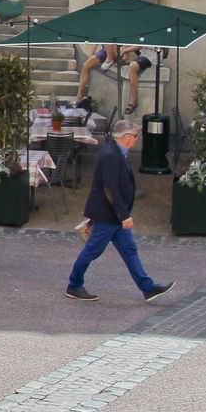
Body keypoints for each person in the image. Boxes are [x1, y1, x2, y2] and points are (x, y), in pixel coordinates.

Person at [67, 119, 174, 302]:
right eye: (134, 135)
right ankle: (74, 285)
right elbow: (110, 188)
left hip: (114, 216)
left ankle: (147, 288)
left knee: (129, 250)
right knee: (93, 250)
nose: (136, 139)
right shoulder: (111, 155)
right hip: (108, 215)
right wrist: (123, 215)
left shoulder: (117, 152)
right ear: (125, 137)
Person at [74, 44, 149, 114]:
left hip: (117, 49)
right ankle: (79, 96)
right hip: (106, 50)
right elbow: (96, 41)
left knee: (109, 39)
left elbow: (135, 45)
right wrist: (91, 54)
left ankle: (110, 59)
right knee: (86, 65)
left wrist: (125, 51)